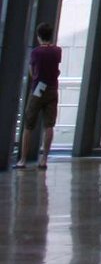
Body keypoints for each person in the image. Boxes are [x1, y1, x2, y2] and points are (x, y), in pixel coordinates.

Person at [20, 22, 62, 165]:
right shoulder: (57, 51)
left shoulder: (36, 52)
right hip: (52, 89)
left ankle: (23, 159)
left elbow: (33, 72)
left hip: (38, 90)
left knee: (28, 124)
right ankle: (44, 159)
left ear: (38, 36)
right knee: (49, 125)